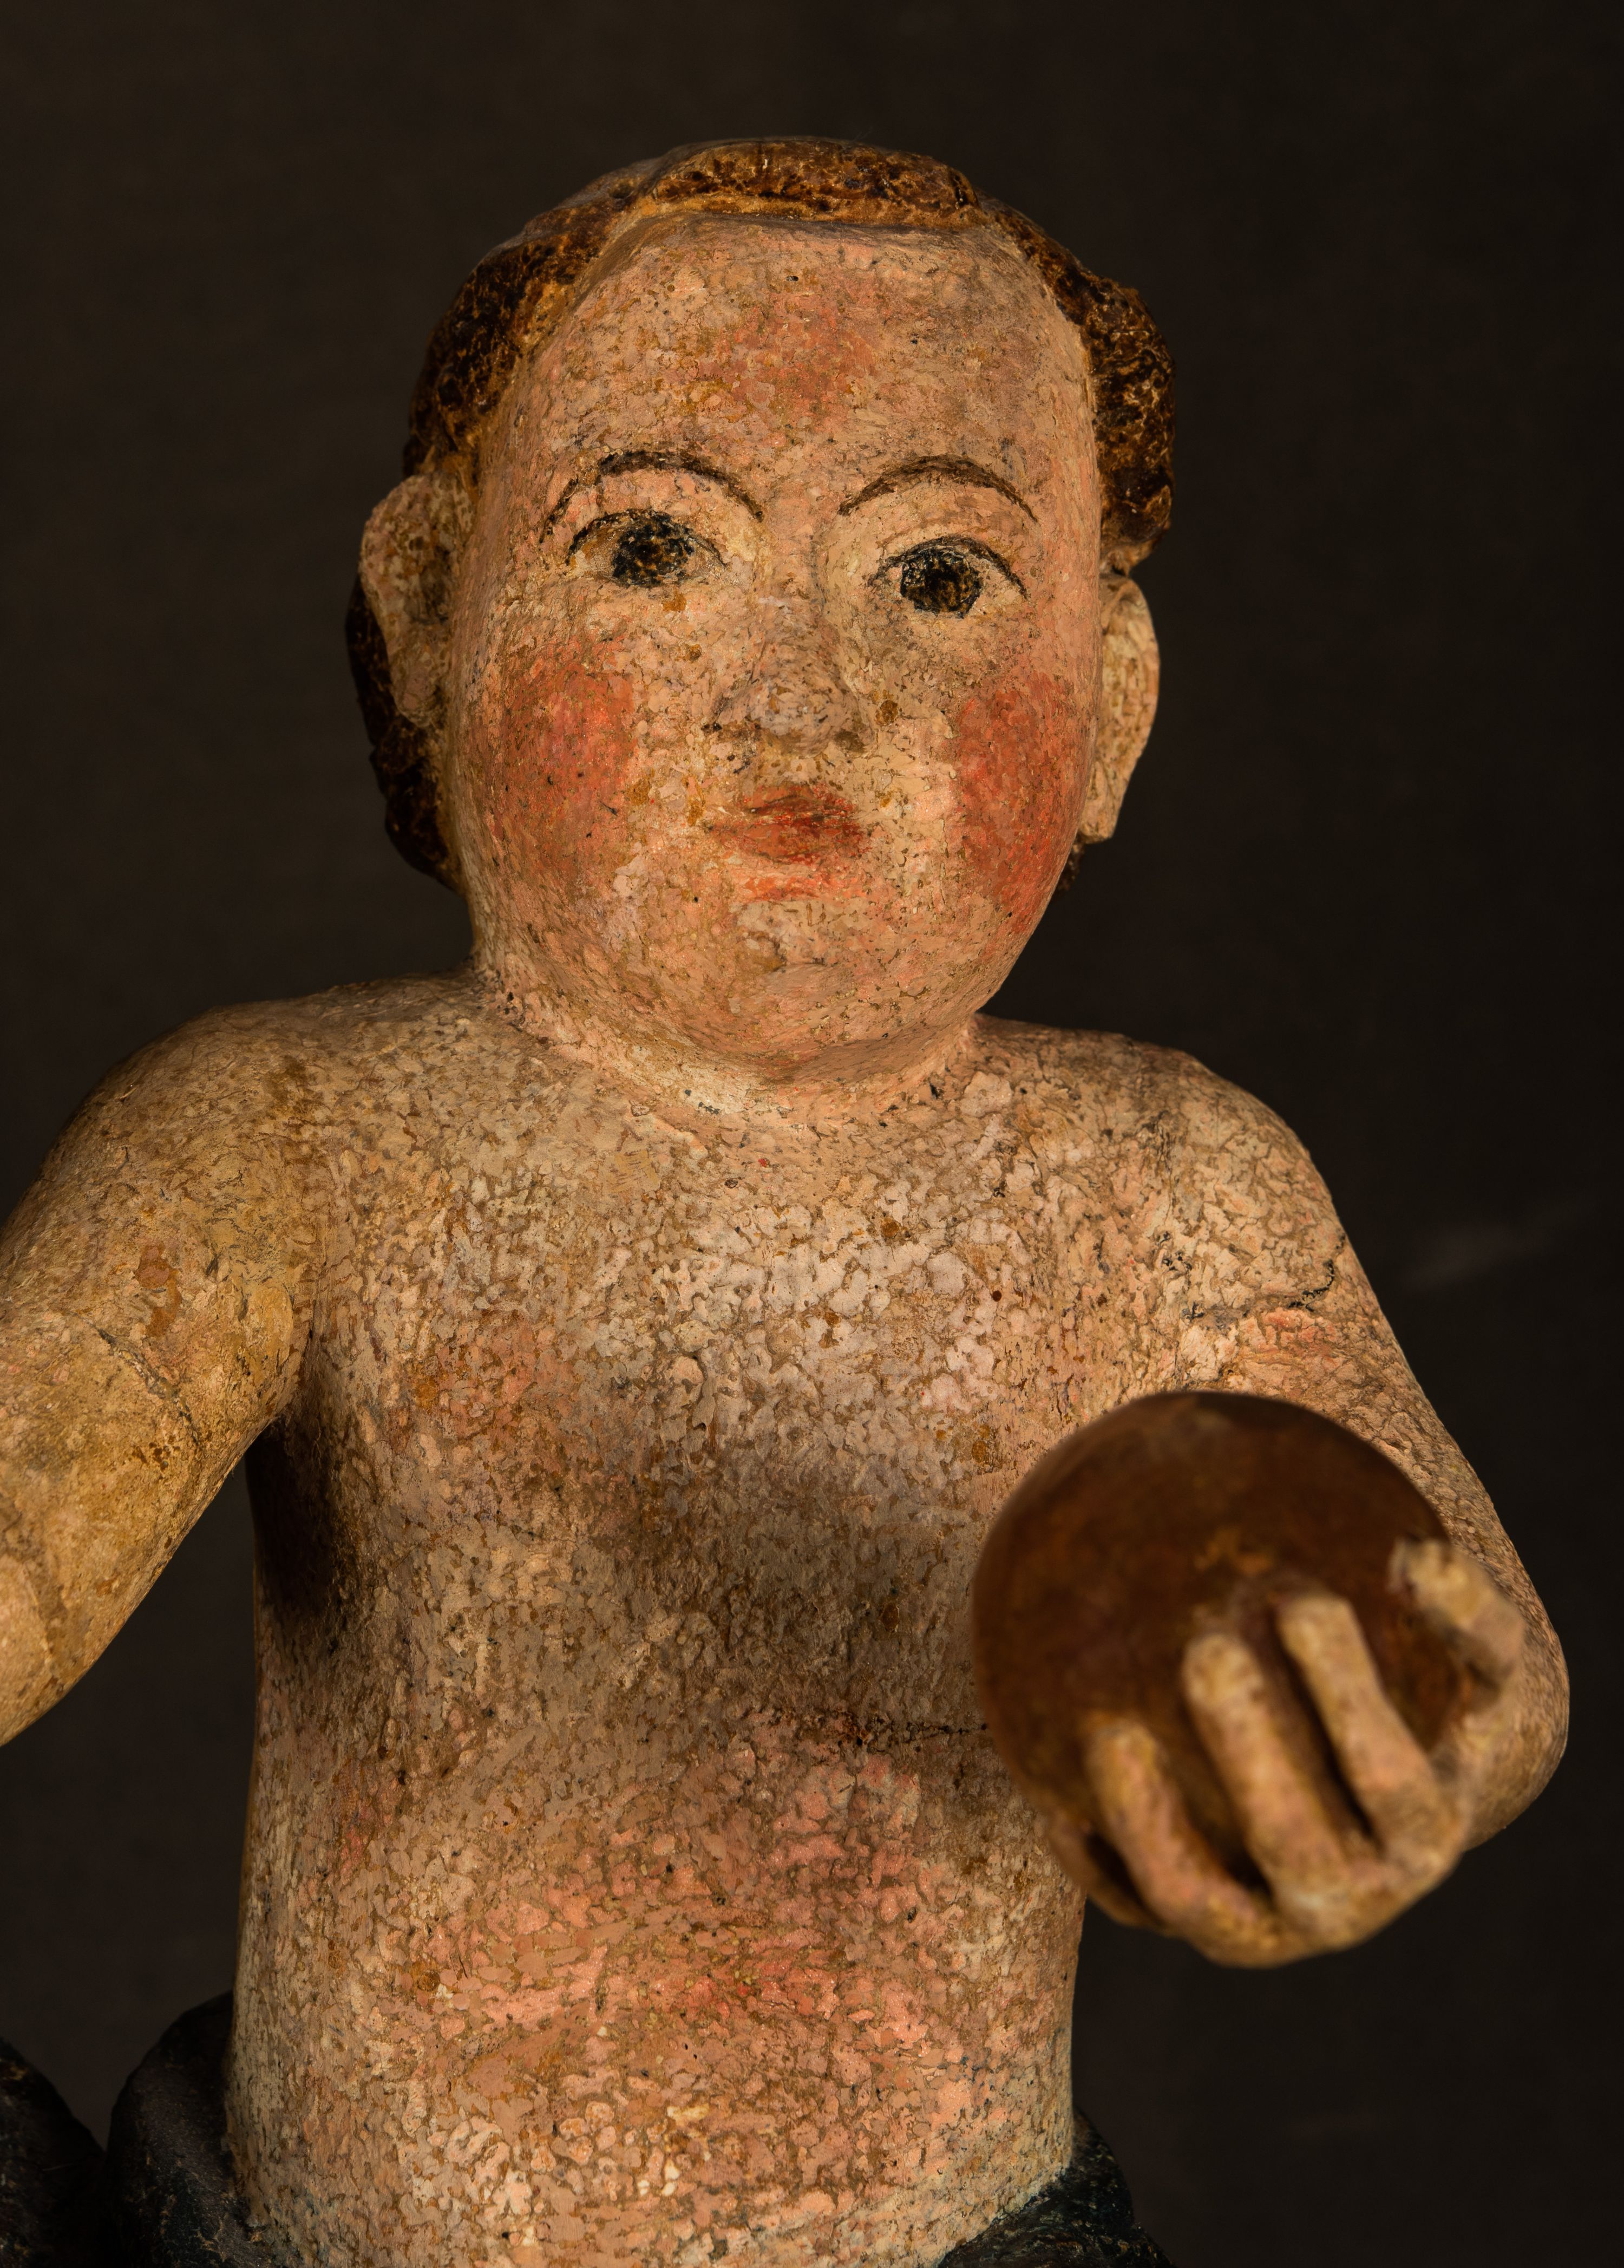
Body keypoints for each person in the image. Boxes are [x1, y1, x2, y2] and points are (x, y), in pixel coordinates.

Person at [0, 138, 1566, 2268]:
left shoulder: (1162, 1184)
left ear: (1112, 698)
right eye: (654, 548)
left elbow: (1477, 1642)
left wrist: (1369, 1744)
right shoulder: (285, 1140)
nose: (801, 690)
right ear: (432, 618)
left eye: (940, 577)